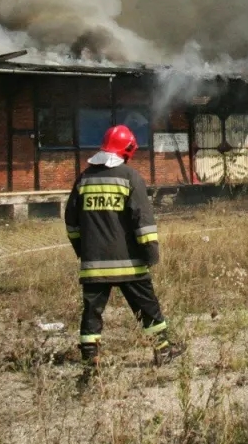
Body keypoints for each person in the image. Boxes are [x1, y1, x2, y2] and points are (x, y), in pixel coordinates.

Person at [64, 124, 184, 376]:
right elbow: (143, 222)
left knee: (91, 312)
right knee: (147, 307)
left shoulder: (83, 179)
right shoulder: (130, 177)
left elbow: (72, 223)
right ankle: (163, 350)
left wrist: (83, 251)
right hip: (130, 263)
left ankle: (90, 360)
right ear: (126, 150)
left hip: (94, 264)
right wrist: (151, 253)